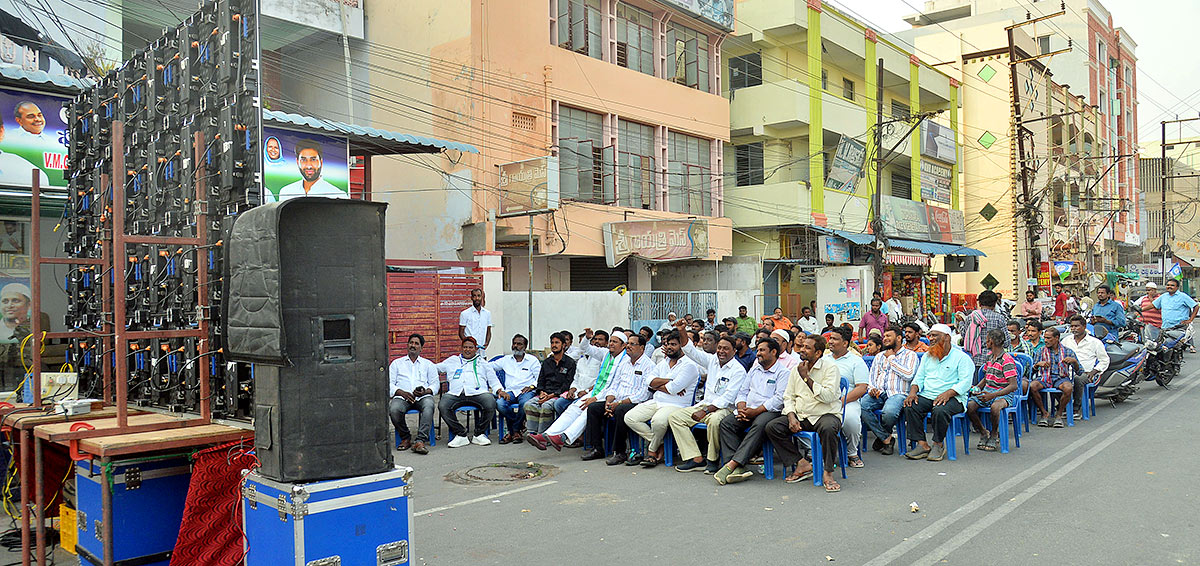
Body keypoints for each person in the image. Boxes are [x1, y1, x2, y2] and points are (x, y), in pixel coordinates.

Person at [531, 334, 651, 455]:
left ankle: (563, 437)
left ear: (622, 345)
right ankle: (547, 435)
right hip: (601, 393)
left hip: (607, 395)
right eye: (610, 341)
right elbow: (585, 348)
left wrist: (597, 398)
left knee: (587, 410)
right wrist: (587, 337)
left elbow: (612, 385)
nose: (611, 344)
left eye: (615, 342)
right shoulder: (607, 354)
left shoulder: (625, 360)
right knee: (574, 408)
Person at [765, 334, 843, 491]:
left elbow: (828, 397)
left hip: (824, 414)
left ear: (818, 353)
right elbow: (788, 397)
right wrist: (791, 416)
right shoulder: (796, 369)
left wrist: (806, 378)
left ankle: (828, 472)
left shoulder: (830, 368)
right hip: (802, 415)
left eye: (808, 347)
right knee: (772, 427)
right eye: (802, 346)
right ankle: (802, 463)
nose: (802, 350)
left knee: (828, 429)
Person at [712, 337, 790, 485]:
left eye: (762, 350)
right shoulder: (755, 369)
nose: (758, 353)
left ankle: (733, 464)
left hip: (769, 411)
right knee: (726, 423)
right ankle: (737, 468)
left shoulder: (783, 372)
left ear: (773, 352)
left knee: (760, 425)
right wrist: (741, 408)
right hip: (748, 409)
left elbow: (779, 399)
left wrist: (755, 411)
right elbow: (742, 391)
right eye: (758, 350)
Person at [671, 330, 749, 473]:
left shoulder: (738, 370)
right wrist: (682, 331)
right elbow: (691, 351)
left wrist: (705, 411)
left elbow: (728, 398)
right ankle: (695, 458)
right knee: (675, 418)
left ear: (734, 351)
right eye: (719, 348)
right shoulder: (713, 360)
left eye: (726, 348)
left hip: (725, 409)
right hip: (705, 405)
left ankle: (712, 460)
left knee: (714, 421)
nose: (721, 351)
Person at [624, 329, 701, 467]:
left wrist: (658, 385)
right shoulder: (664, 362)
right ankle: (661, 444)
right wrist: (670, 380)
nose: (669, 347)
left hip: (677, 404)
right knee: (630, 417)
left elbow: (673, 389)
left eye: (673, 344)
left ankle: (652, 451)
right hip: (657, 401)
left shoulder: (689, 365)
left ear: (682, 346)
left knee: (658, 422)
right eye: (667, 344)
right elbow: (648, 381)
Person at [903, 324, 974, 462]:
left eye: (935, 335)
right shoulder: (927, 356)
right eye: (930, 335)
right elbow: (919, 377)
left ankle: (938, 444)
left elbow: (965, 382)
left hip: (954, 397)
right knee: (910, 405)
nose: (931, 338)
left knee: (940, 410)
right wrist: (913, 392)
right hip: (929, 395)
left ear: (947, 337)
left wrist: (948, 393)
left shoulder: (962, 358)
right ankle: (922, 445)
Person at [861, 326, 919, 455]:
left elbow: (909, 375)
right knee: (861, 407)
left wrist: (892, 359)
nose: (885, 339)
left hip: (898, 394)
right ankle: (886, 438)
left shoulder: (910, 355)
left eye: (888, 336)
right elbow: (872, 377)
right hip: (879, 393)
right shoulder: (879, 356)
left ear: (898, 338)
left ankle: (881, 437)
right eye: (884, 336)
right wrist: (872, 388)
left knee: (889, 413)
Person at [436, 337, 502, 448]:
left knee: (490, 402)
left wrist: (500, 390)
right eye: (465, 347)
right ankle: (460, 434)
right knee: (443, 405)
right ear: (461, 348)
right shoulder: (453, 360)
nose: (467, 350)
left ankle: (479, 434)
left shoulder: (483, 363)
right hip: (456, 394)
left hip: (478, 393)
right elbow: (434, 368)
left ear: (475, 349)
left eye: (470, 347)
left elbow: (493, 381)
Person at [966, 329, 1021, 451]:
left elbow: (1013, 386)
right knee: (970, 406)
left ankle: (994, 434)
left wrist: (993, 395)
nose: (985, 342)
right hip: (988, 391)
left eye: (986, 340)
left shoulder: (1006, 360)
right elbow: (986, 378)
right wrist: (976, 388)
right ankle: (983, 432)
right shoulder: (990, 358)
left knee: (995, 407)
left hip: (1004, 393)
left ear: (991, 341)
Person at [824, 327, 869, 468]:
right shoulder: (823, 360)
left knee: (850, 419)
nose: (830, 342)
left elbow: (862, 388)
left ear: (845, 343)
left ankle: (852, 453)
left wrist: (841, 402)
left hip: (847, 400)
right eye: (830, 338)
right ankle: (813, 453)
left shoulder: (856, 361)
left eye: (835, 339)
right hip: (824, 399)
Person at [387, 333, 439, 454]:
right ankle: (405, 437)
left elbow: (435, 385)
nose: (413, 346)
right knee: (394, 409)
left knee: (429, 405)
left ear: (421, 348)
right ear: (407, 345)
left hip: (422, 397)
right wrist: (401, 392)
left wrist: (425, 392)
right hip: (402, 397)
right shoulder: (396, 363)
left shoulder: (428, 364)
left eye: (416, 344)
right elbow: (388, 384)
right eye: (411, 343)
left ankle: (420, 441)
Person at [522, 332, 578, 435]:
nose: (554, 345)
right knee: (529, 404)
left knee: (546, 406)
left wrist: (551, 395)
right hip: (544, 393)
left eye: (557, 342)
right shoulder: (547, 362)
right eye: (552, 343)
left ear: (564, 345)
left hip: (559, 394)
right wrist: (542, 392)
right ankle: (532, 433)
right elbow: (541, 380)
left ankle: (544, 435)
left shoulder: (570, 363)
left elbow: (567, 384)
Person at [494, 334, 542, 444]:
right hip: (510, 391)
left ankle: (513, 431)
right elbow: (489, 367)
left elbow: (540, 377)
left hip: (526, 391)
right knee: (500, 404)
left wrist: (532, 386)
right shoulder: (505, 360)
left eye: (519, 344)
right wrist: (498, 388)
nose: (516, 346)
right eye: (514, 343)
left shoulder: (532, 360)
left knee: (525, 404)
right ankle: (518, 428)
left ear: (525, 347)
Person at [1029, 327, 1081, 427]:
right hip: (1044, 377)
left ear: (1057, 338)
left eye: (1049, 338)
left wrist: (1074, 362)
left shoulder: (1067, 351)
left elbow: (1079, 371)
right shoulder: (1040, 351)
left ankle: (1059, 414)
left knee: (1068, 388)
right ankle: (1044, 413)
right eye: (1045, 338)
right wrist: (1037, 365)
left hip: (1061, 377)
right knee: (1033, 386)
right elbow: (1031, 372)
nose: (1045, 340)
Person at [1060, 315, 1109, 420]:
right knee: (1053, 380)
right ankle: (1063, 406)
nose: (1074, 329)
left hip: (1086, 373)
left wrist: (1093, 372)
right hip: (1067, 372)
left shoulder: (1095, 342)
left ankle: (1076, 408)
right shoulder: (1066, 341)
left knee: (1078, 379)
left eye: (1077, 326)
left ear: (1084, 326)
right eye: (1072, 326)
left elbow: (1104, 360)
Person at [265, 139, 348, 202]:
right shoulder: (286, 192)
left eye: (313, 159)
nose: (309, 166)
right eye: (304, 160)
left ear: (321, 162)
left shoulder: (338, 195)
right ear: (297, 162)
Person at [962, 290, 1008, 373]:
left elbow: (965, 337)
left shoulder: (970, 317)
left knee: (976, 385)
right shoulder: (999, 318)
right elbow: (1006, 342)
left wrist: (961, 323)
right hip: (994, 362)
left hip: (974, 360)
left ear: (979, 304)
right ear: (994, 304)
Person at [1154, 279, 1199, 353]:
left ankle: (1189, 347)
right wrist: (1140, 309)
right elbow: (1153, 305)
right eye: (1168, 285)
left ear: (1177, 287)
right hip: (1166, 327)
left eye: (1172, 285)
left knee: (1175, 349)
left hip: (1179, 327)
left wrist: (1190, 320)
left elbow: (1196, 306)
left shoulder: (1183, 296)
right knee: (1162, 348)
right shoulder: (1163, 296)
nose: (1169, 287)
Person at [456, 288, 493, 355]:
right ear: (471, 298)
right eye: (474, 296)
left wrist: (487, 343)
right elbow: (461, 333)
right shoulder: (465, 313)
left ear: (482, 297)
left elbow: (489, 331)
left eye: (479, 296)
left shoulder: (487, 313)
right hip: (469, 352)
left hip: (482, 351)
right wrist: (469, 345)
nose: (477, 298)